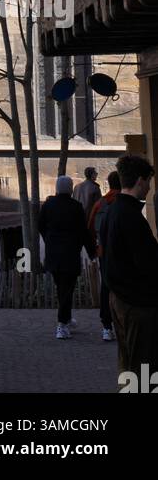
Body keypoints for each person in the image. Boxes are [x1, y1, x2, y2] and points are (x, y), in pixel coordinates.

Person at [102, 154, 158, 379]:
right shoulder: (131, 216)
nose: (149, 188)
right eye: (149, 182)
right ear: (140, 181)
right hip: (137, 303)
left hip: (120, 297)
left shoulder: (112, 211)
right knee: (142, 367)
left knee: (128, 364)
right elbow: (148, 263)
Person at [38, 175, 96, 340]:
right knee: (67, 288)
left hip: (53, 254)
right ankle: (62, 324)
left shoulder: (48, 205)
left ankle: (67, 318)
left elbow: (40, 225)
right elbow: (83, 232)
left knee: (61, 288)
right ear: (70, 188)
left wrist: (48, 239)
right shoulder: (76, 207)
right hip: (70, 254)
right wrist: (91, 252)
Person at [88, 170, 122, 342]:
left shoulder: (100, 203)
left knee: (106, 286)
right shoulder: (124, 203)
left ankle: (106, 326)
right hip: (123, 253)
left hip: (103, 252)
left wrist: (93, 249)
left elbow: (91, 226)